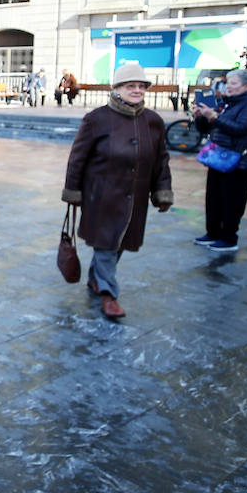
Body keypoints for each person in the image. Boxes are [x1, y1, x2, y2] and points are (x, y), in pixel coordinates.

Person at [61, 62, 173, 319]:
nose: (137, 90)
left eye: (141, 86)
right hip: (102, 197)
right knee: (108, 245)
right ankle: (109, 295)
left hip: (135, 199)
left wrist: (162, 191)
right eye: (130, 85)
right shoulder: (96, 119)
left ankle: (95, 279)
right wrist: (72, 192)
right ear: (117, 89)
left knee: (117, 244)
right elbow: (77, 159)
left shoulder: (153, 121)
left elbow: (161, 160)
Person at [192, 68, 247, 253]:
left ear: (246, 86)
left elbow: (241, 129)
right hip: (218, 158)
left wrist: (214, 117)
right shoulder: (225, 103)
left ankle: (229, 237)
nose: (228, 87)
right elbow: (207, 129)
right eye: (228, 83)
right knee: (213, 198)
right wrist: (201, 117)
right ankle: (212, 233)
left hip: (239, 161)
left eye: (233, 83)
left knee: (232, 201)